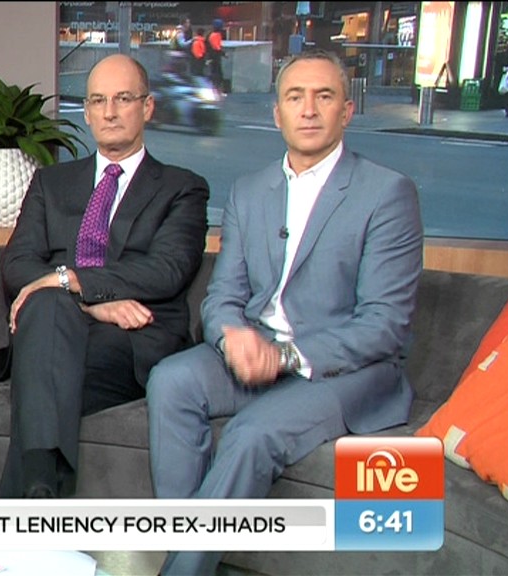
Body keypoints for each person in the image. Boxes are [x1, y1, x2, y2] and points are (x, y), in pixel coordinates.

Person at [147, 49, 423, 575]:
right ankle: (187, 554)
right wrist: (231, 337)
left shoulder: (387, 193)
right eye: (296, 97)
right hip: (260, 353)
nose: (309, 109)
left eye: (324, 96)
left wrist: (287, 356)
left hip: (347, 371)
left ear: (347, 111)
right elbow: (222, 296)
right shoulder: (250, 192)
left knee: (253, 432)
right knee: (171, 380)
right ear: (278, 114)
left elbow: (385, 325)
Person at [0, 54, 210, 499]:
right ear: (88, 113)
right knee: (49, 313)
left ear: (147, 107)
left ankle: (29, 499)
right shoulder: (51, 182)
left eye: (123, 98)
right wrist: (90, 304)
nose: (109, 111)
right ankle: (39, 495)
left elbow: (167, 269)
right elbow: (17, 264)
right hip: (54, 329)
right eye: (98, 100)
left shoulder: (182, 187)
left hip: (130, 342)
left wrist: (74, 283)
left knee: (44, 373)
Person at [206, 19, 226, 90]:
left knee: (215, 73)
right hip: (214, 57)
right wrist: (223, 54)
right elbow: (216, 48)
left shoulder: (213, 34)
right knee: (216, 74)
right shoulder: (215, 35)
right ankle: (215, 89)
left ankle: (215, 88)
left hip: (213, 57)